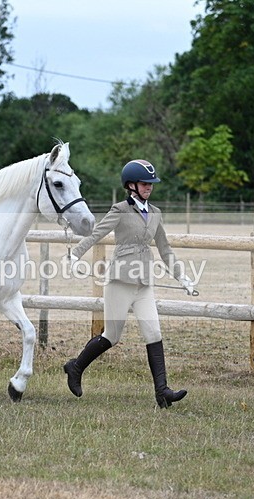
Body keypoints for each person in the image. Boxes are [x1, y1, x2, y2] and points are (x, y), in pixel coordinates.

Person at [63, 159, 196, 408]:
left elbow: (166, 250)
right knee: (112, 336)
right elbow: (97, 233)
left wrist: (183, 277)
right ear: (131, 185)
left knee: (154, 333)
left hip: (144, 283)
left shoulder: (155, 213)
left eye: (151, 184)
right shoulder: (119, 210)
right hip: (120, 282)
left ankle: (162, 392)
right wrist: (75, 254)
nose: (149, 188)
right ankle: (75, 367)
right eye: (145, 183)